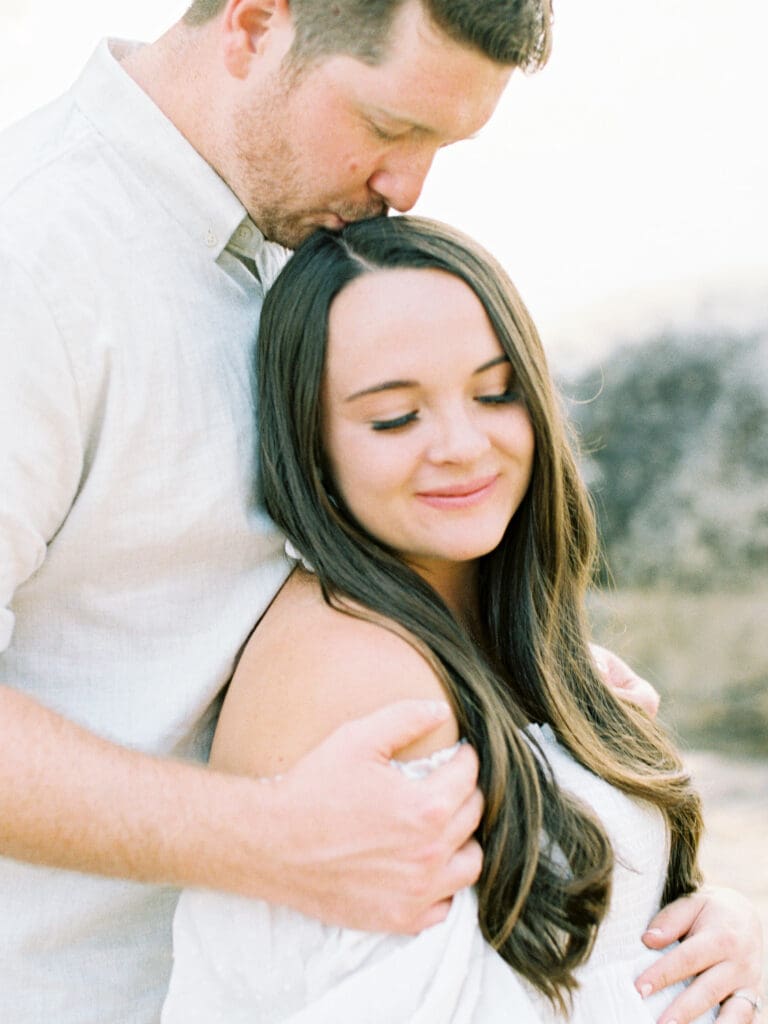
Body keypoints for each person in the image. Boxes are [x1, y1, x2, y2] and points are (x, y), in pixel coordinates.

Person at [0, 1, 761, 1021]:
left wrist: (583, 771)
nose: (404, 187)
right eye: (391, 128)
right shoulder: (36, 255)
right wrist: (266, 837)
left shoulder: (300, 227)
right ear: (255, 24)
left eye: (441, 145)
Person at [161, 215, 763, 1024]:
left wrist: (714, 922)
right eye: (395, 417)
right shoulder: (356, 674)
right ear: (312, 446)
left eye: (495, 392)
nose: (462, 443)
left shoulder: (493, 636)